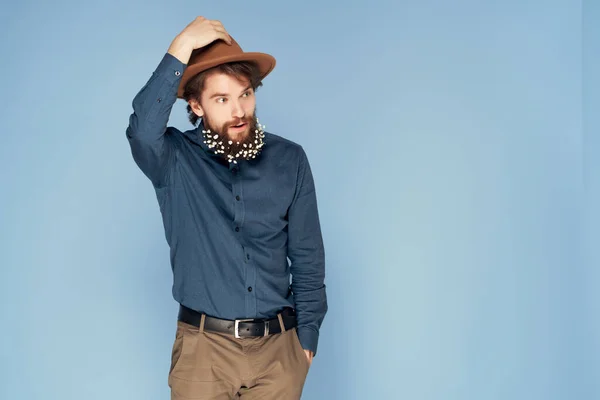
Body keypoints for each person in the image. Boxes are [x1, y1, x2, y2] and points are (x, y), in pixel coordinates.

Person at [125, 16, 328, 399]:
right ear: (196, 105)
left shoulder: (290, 159)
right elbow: (141, 130)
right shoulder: (174, 159)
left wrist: (306, 342)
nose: (239, 110)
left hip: (279, 355)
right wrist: (182, 45)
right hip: (204, 353)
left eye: (245, 94)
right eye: (222, 98)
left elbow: (307, 256)